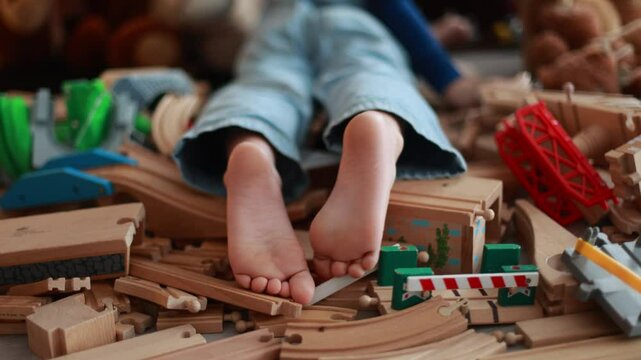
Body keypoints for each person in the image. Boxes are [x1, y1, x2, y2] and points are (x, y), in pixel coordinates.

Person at [174, 0, 475, 304]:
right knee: (371, 71)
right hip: (351, 19)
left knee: (265, 87)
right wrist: (451, 80)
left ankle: (253, 145)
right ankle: (379, 120)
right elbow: (398, 13)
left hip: (281, 22)